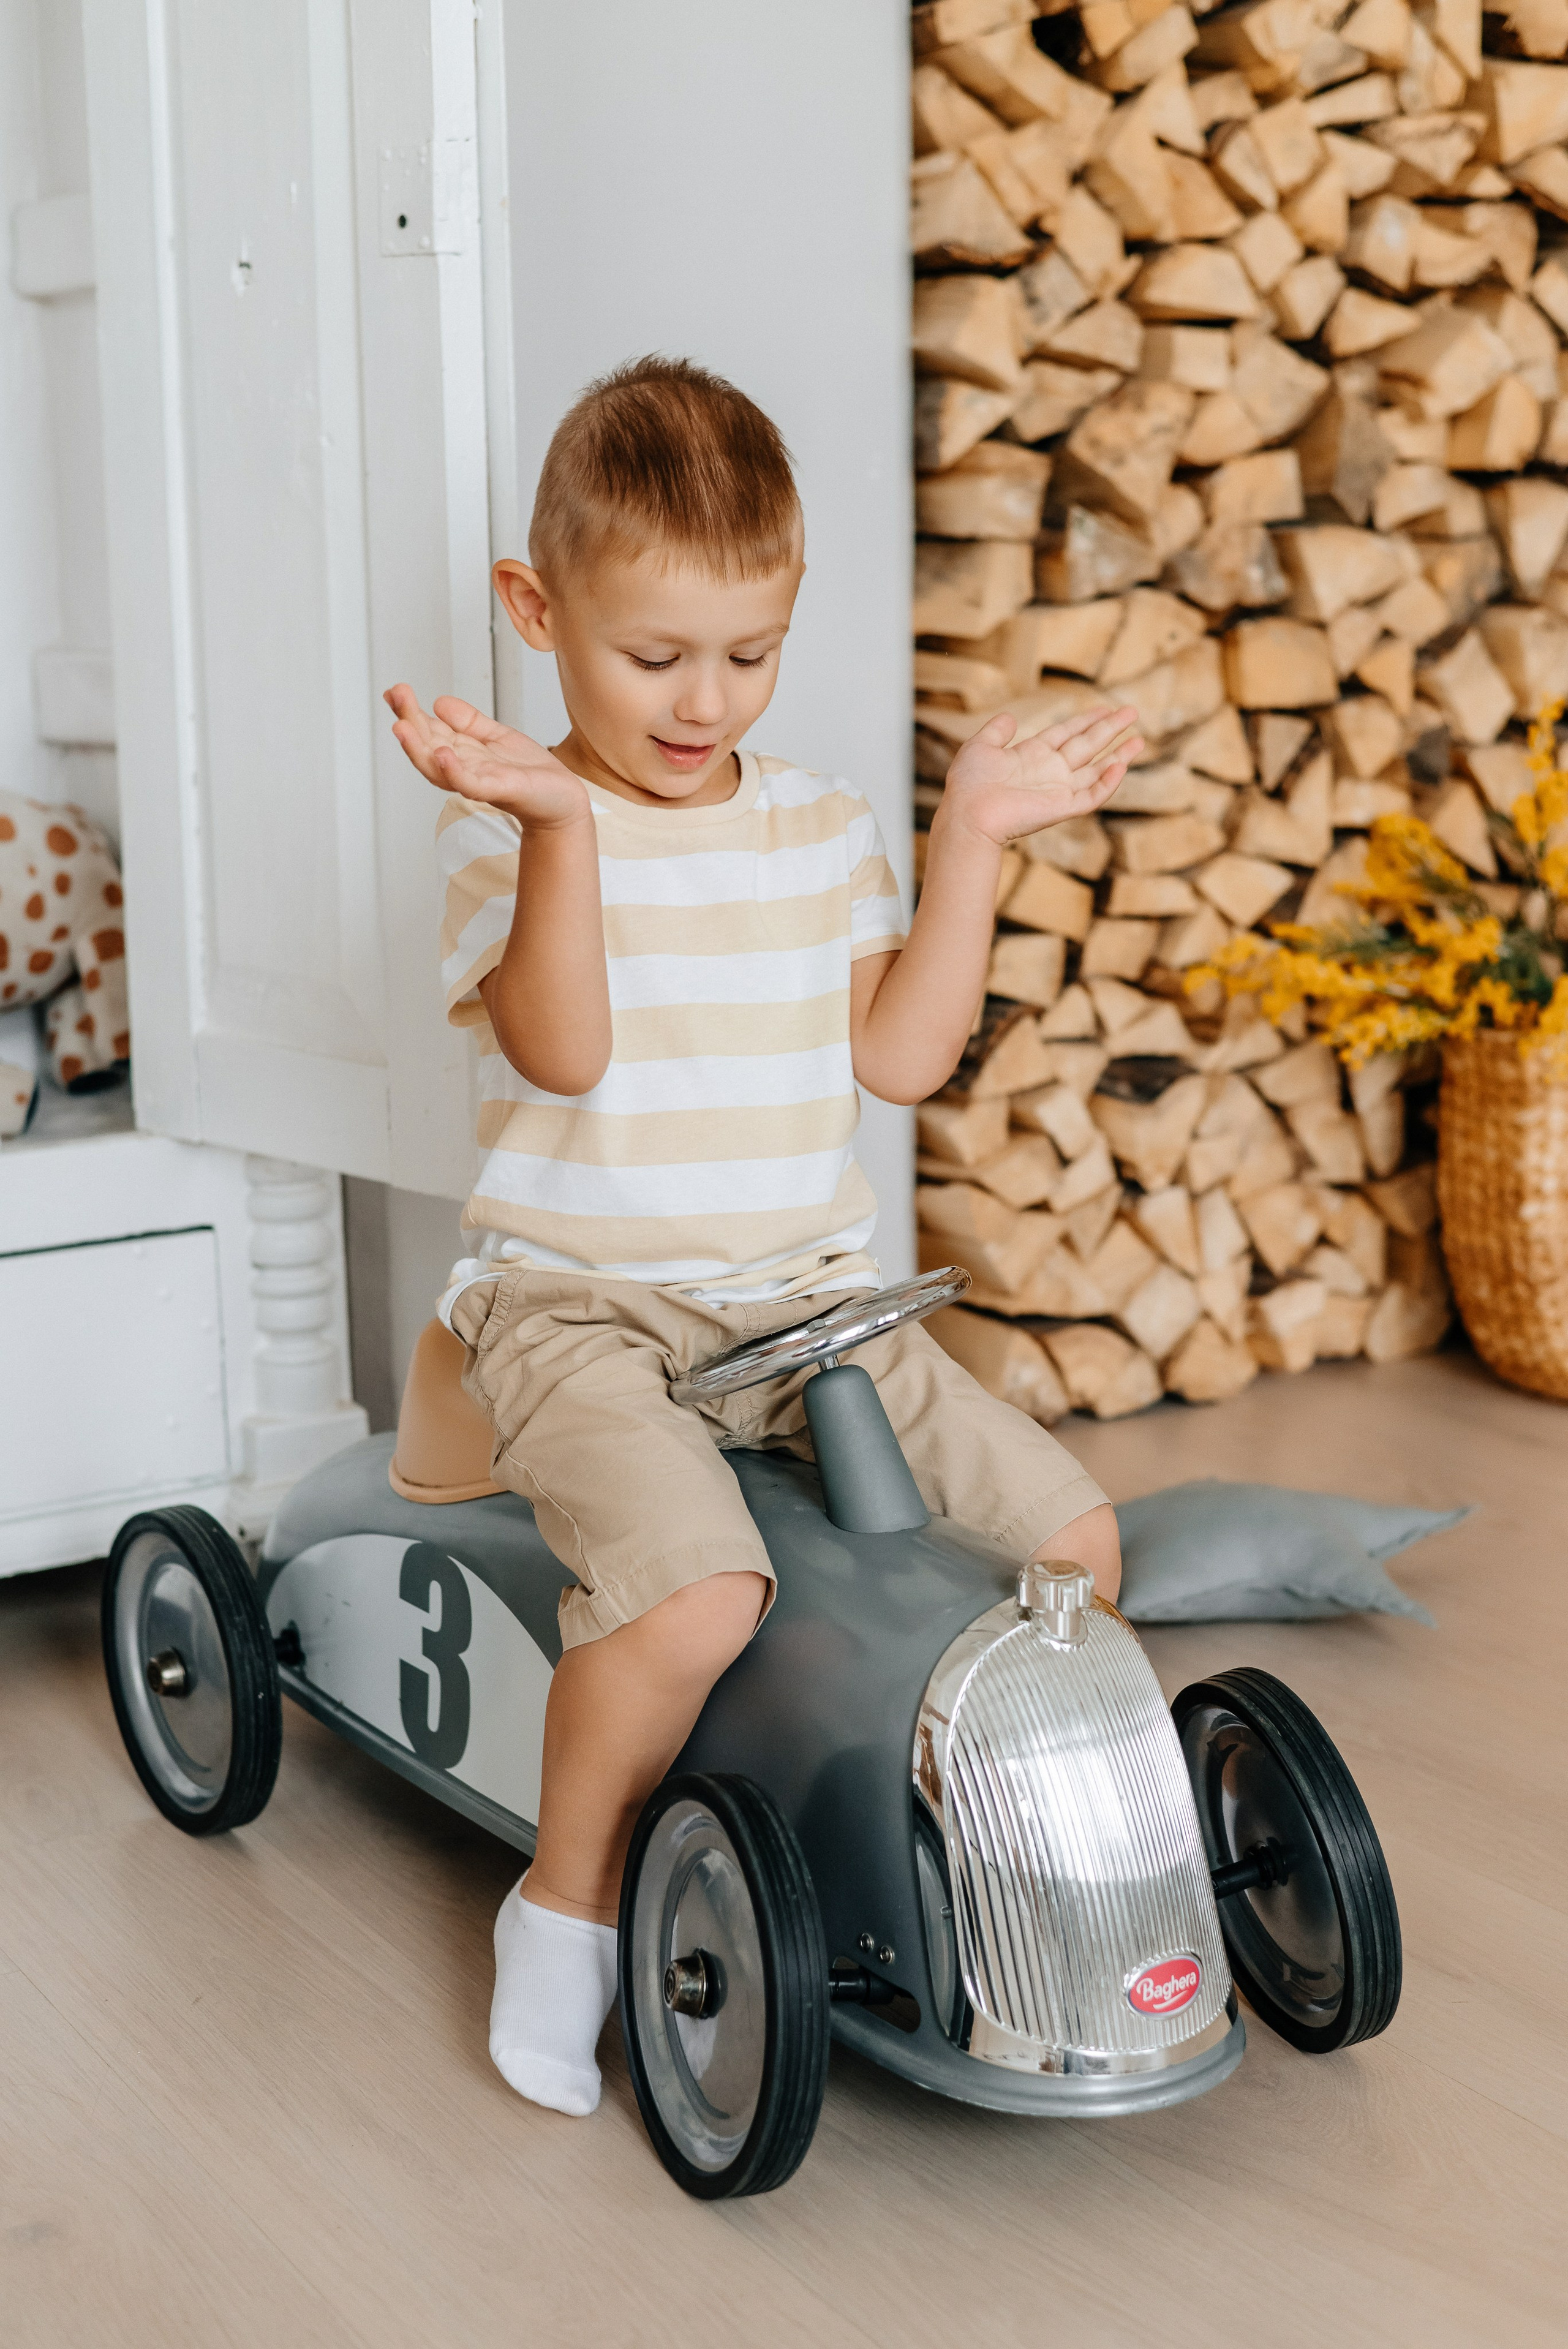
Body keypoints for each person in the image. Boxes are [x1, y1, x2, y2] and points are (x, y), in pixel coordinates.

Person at [385, 355, 1142, 2122]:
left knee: (1081, 1547)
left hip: (813, 1308)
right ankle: (563, 1902)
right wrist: (566, 824)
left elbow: (896, 1057)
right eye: (654, 655)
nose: (703, 698)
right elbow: (562, 1050)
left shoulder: (818, 829)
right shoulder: (503, 827)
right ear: (535, 606)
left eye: (750, 651)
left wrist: (970, 846)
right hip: (582, 1309)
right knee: (703, 1590)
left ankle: (981, 1864)